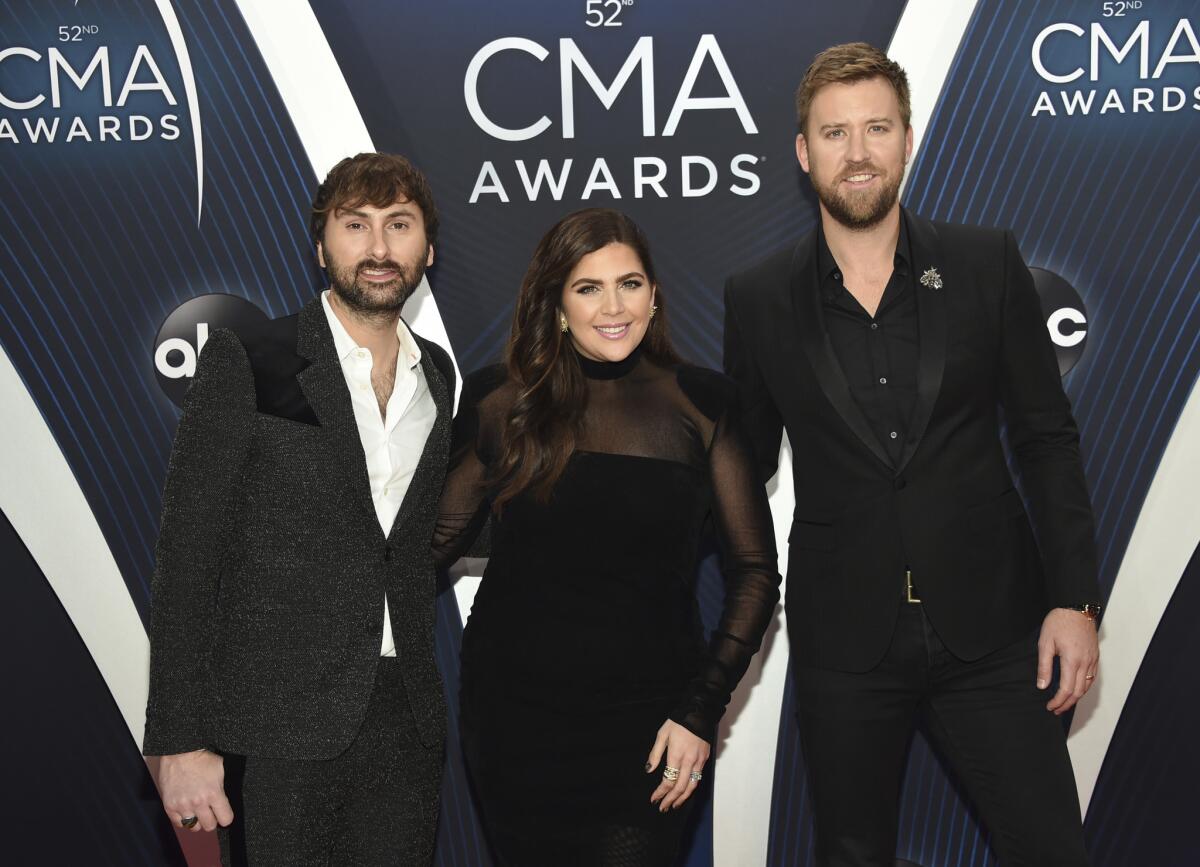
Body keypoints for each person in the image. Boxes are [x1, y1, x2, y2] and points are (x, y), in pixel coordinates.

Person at [723, 43, 1101, 866]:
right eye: (834, 133)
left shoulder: (986, 262)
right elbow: (742, 465)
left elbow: (1045, 437)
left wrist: (1075, 599)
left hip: (996, 629)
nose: (856, 153)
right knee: (853, 854)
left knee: (1050, 848)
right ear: (802, 151)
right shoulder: (756, 298)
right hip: (845, 636)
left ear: (907, 140)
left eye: (876, 129)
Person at [433, 208, 780, 866]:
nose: (613, 306)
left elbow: (757, 572)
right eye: (588, 287)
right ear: (557, 304)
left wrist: (701, 709)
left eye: (629, 283)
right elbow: (429, 544)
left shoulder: (702, 404)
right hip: (514, 718)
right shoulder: (502, 401)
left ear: (655, 295)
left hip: (651, 722)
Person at [143, 152, 454, 866]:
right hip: (282, 719)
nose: (378, 249)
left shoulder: (436, 372)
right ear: (321, 247)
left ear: (427, 248)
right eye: (356, 226)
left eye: (399, 225)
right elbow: (189, 556)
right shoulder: (250, 357)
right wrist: (179, 736)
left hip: (405, 719)